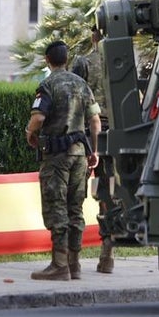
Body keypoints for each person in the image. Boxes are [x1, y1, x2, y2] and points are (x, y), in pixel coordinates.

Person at [26, 40, 101, 281]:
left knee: (56, 206)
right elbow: (95, 121)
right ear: (66, 60)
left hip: (56, 157)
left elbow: (38, 117)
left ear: (48, 60)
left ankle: (59, 265)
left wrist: (30, 133)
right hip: (80, 154)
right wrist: (94, 152)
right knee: (75, 208)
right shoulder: (81, 85)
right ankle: (74, 263)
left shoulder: (47, 85)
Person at [71, 26, 116, 274]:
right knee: (109, 196)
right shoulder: (126, 62)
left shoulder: (84, 63)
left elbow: (75, 101)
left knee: (77, 194)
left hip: (89, 134)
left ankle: (72, 260)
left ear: (93, 36)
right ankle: (107, 255)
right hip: (119, 135)